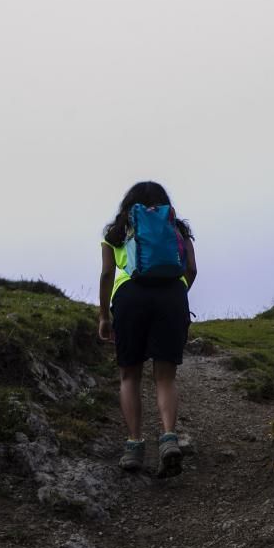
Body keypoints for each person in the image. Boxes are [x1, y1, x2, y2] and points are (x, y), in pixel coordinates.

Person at [98, 181, 197, 478]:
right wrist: (178, 294)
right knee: (165, 377)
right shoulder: (176, 229)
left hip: (130, 298)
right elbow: (192, 269)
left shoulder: (115, 232)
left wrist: (105, 315)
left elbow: (106, 274)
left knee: (130, 374)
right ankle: (168, 439)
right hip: (171, 297)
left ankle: (134, 446)